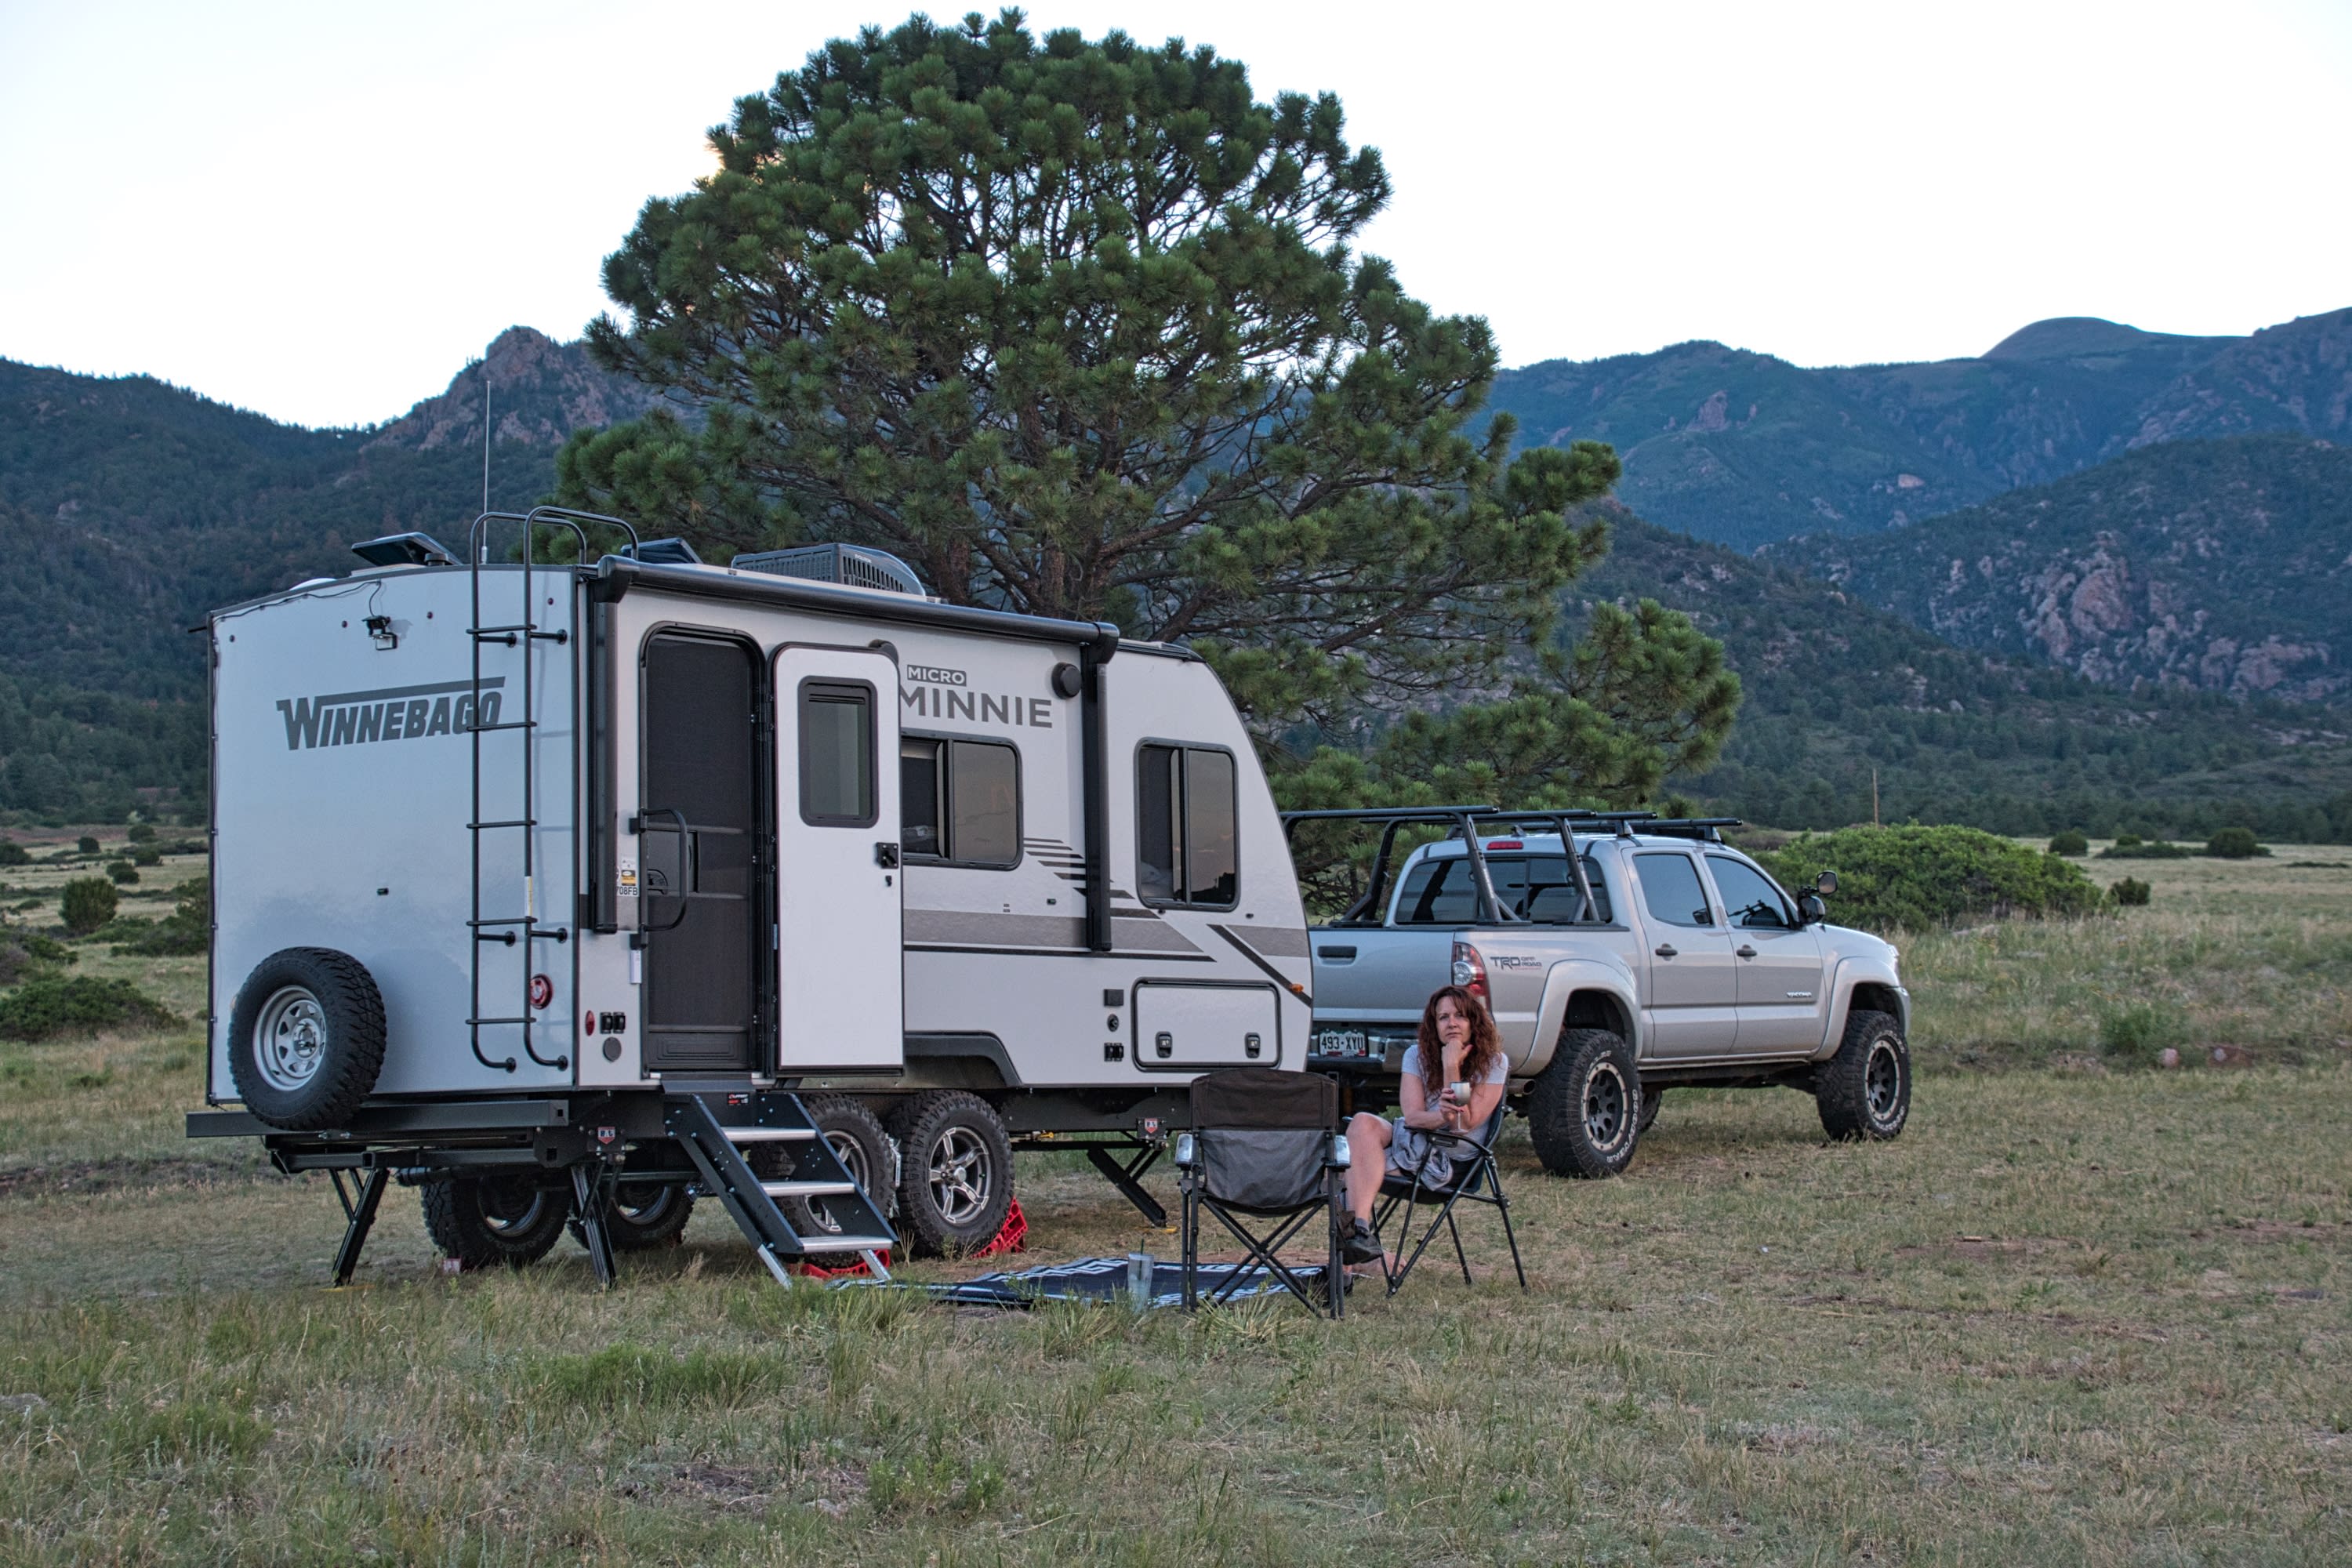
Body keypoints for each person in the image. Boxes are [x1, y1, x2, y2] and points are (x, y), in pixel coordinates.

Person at [1339, 984, 1508, 1265]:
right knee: (1362, 1123)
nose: (1451, 1023)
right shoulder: (1415, 1056)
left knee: (1342, 1171)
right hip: (1417, 1138)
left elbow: (1462, 1124)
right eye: (1443, 1017)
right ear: (1434, 1024)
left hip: (1450, 1161)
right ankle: (1361, 1231)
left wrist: (1451, 1065)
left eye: (1460, 1016)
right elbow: (1414, 1116)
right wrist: (1442, 1116)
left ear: (1473, 1022)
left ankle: (1351, 1265)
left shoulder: (1494, 1063)